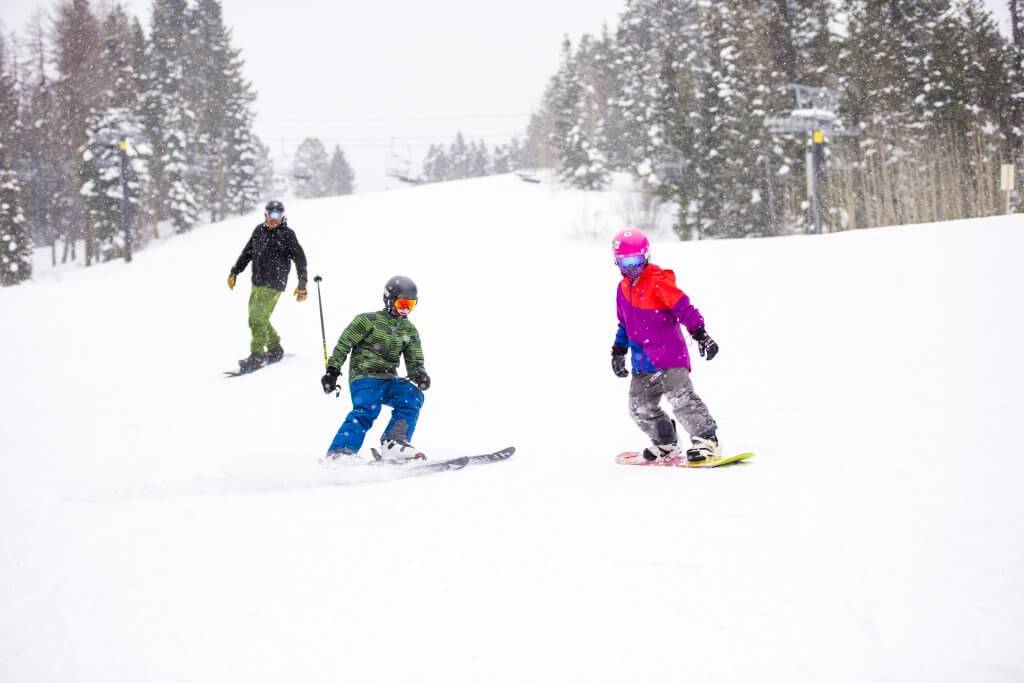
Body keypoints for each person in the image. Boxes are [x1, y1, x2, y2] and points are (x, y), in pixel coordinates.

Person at [610, 228, 722, 463]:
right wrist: (619, 350)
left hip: (669, 357)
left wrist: (701, 334)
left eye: (636, 261)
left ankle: (707, 441)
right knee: (639, 407)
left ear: (646, 257)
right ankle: (666, 443)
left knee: (681, 399)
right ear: (616, 262)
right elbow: (624, 324)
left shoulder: (659, 282)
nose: (631, 268)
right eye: (625, 262)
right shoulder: (622, 290)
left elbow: (684, 309)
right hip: (642, 362)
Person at [320, 275, 431, 464]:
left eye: (410, 305)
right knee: (367, 409)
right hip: (365, 377)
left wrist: (419, 373)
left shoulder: (409, 330)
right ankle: (340, 451)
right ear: (389, 299)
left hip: (389, 380)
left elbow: (414, 358)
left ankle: (394, 442)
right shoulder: (367, 321)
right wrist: (332, 370)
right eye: (402, 303)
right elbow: (344, 344)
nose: (405, 309)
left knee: (413, 396)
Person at [228, 200, 308, 371]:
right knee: (255, 319)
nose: (274, 219)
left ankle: (257, 355)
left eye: (278, 215)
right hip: (257, 281)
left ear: (283, 216)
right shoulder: (259, 231)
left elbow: (300, 259)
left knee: (258, 318)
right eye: (271, 215)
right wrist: (235, 271)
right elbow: (247, 252)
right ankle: (274, 348)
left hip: (274, 283)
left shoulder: (287, 234)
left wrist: (302, 283)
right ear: (266, 215)